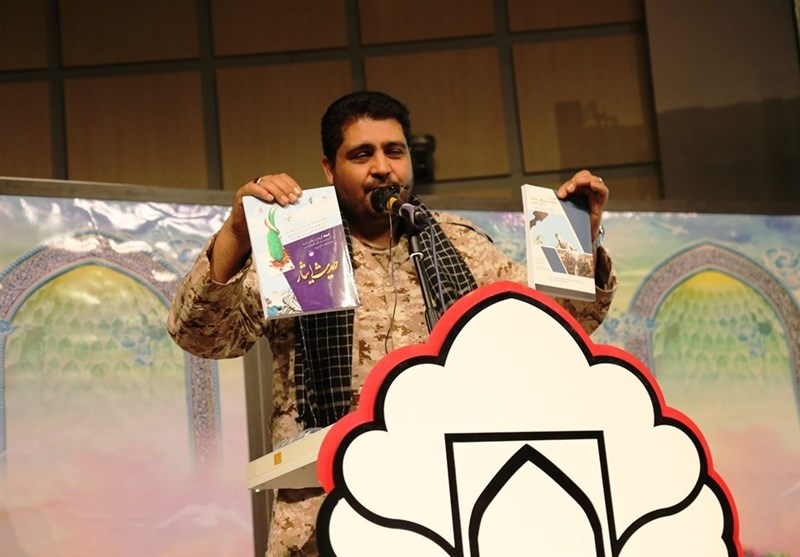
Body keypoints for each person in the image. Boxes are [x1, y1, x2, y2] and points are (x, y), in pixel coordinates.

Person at [167, 90, 617, 556]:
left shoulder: (459, 244)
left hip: (449, 507)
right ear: (329, 168)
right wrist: (238, 234)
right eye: (362, 155)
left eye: (394, 152)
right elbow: (202, 336)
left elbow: (557, 327)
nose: (382, 168)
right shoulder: (299, 243)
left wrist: (578, 238)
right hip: (325, 513)